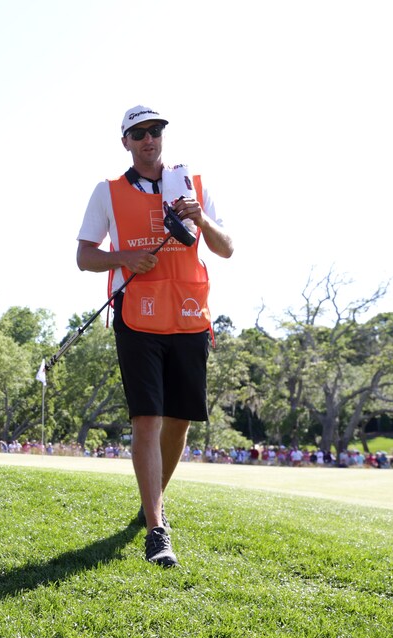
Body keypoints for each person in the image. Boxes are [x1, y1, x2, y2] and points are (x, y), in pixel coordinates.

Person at [75, 104, 234, 567]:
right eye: (139, 133)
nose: (149, 139)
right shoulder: (107, 192)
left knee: (179, 420)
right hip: (137, 316)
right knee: (147, 418)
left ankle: (151, 505)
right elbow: (85, 257)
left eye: (156, 131)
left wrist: (200, 219)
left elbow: (227, 248)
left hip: (189, 314)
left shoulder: (193, 186)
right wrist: (123, 257)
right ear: (125, 141)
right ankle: (156, 529)